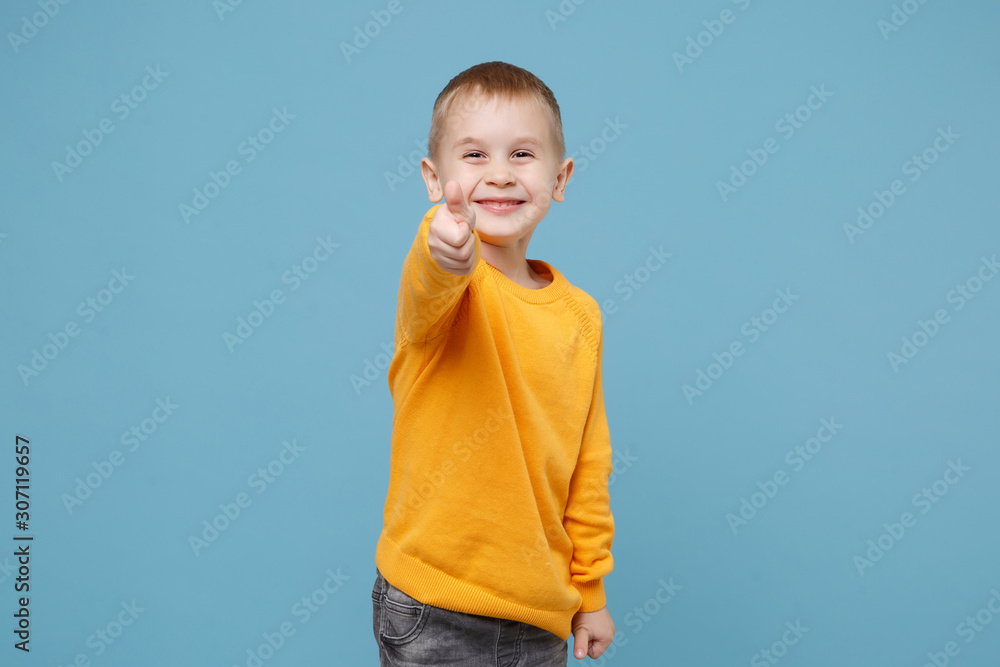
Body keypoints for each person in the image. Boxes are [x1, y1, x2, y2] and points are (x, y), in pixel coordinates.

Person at [372, 60, 616, 666]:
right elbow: (429, 278)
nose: (500, 174)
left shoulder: (581, 317)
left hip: (540, 614)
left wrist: (590, 593)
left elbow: (587, 466)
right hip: (434, 608)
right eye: (475, 156)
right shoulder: (449, 285)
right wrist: (443, 248)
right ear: (436, 178)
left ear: (561, 178)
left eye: (523, 155)